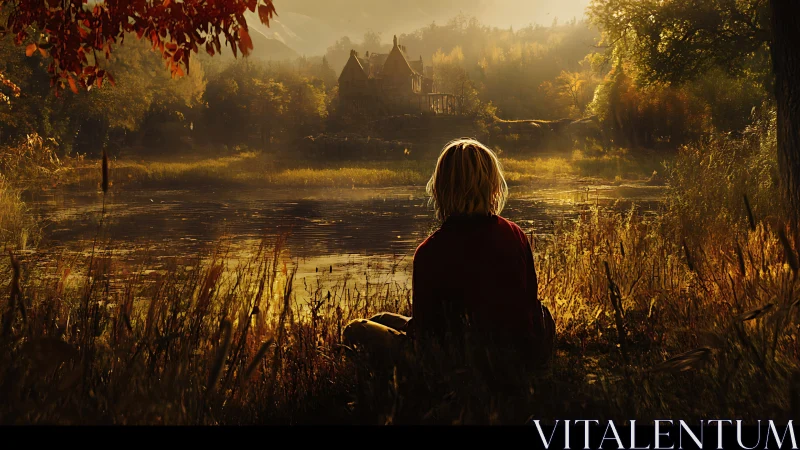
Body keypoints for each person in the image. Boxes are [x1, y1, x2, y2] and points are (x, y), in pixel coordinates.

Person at [342, 138, 556, 378]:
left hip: (459, 364)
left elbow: (426, 333)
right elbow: (528, 301)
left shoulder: (430, 252)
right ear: (493, 187)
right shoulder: (515, 233)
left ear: (440, 189)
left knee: (355, 330)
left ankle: (387, 387)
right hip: (518, 355)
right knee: (382, 318)